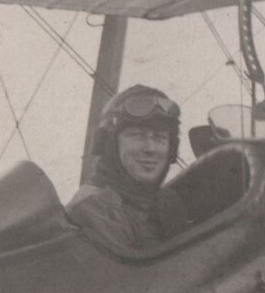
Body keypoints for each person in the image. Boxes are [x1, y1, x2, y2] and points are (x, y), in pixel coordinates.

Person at [67, 85, 192, 252]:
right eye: (137, 135)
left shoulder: (164, 203)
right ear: (110, 144)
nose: (151, 148)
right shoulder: (94, 209)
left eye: (160, 138)